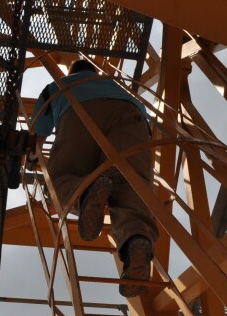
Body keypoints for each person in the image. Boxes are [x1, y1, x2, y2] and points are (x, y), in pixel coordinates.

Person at [30, 59, 159, 297]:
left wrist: (30, 157)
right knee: (131, 189)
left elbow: (36, 141)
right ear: (93, 71)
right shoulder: (116, 85)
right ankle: (135, 242)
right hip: (132, 118)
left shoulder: (59, 85)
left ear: (71, 72)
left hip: (80, 112)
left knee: (57, 180)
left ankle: (85, 194)